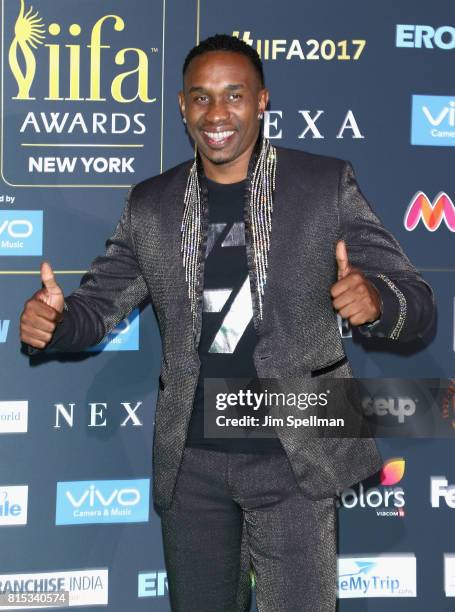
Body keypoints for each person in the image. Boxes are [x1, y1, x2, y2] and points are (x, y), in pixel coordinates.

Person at [20, 34, 434, 612]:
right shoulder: (151, 204)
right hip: (194, 468)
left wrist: (379, 303)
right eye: (201, 98)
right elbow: (97, 308)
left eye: (233, 95)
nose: (218, 114)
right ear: (184, 108)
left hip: (296, 457)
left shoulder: (322, 185)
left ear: (262, 101)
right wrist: (56, 324)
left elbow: (418, 301)